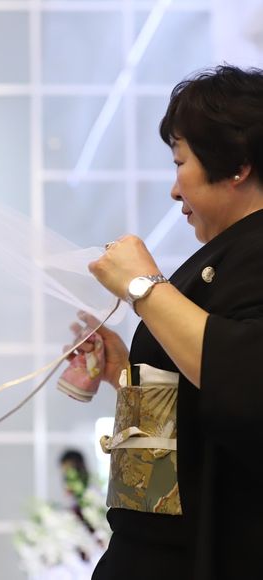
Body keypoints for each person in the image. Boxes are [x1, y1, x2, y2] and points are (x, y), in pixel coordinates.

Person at [81, 65, 263, 579]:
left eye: (181, 162)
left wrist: (143, 286)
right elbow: (192, 412)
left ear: (238, 165)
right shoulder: (229, 252)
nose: (174, 190)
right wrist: (127, 374)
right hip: (154, 545)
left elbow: (247, 381)